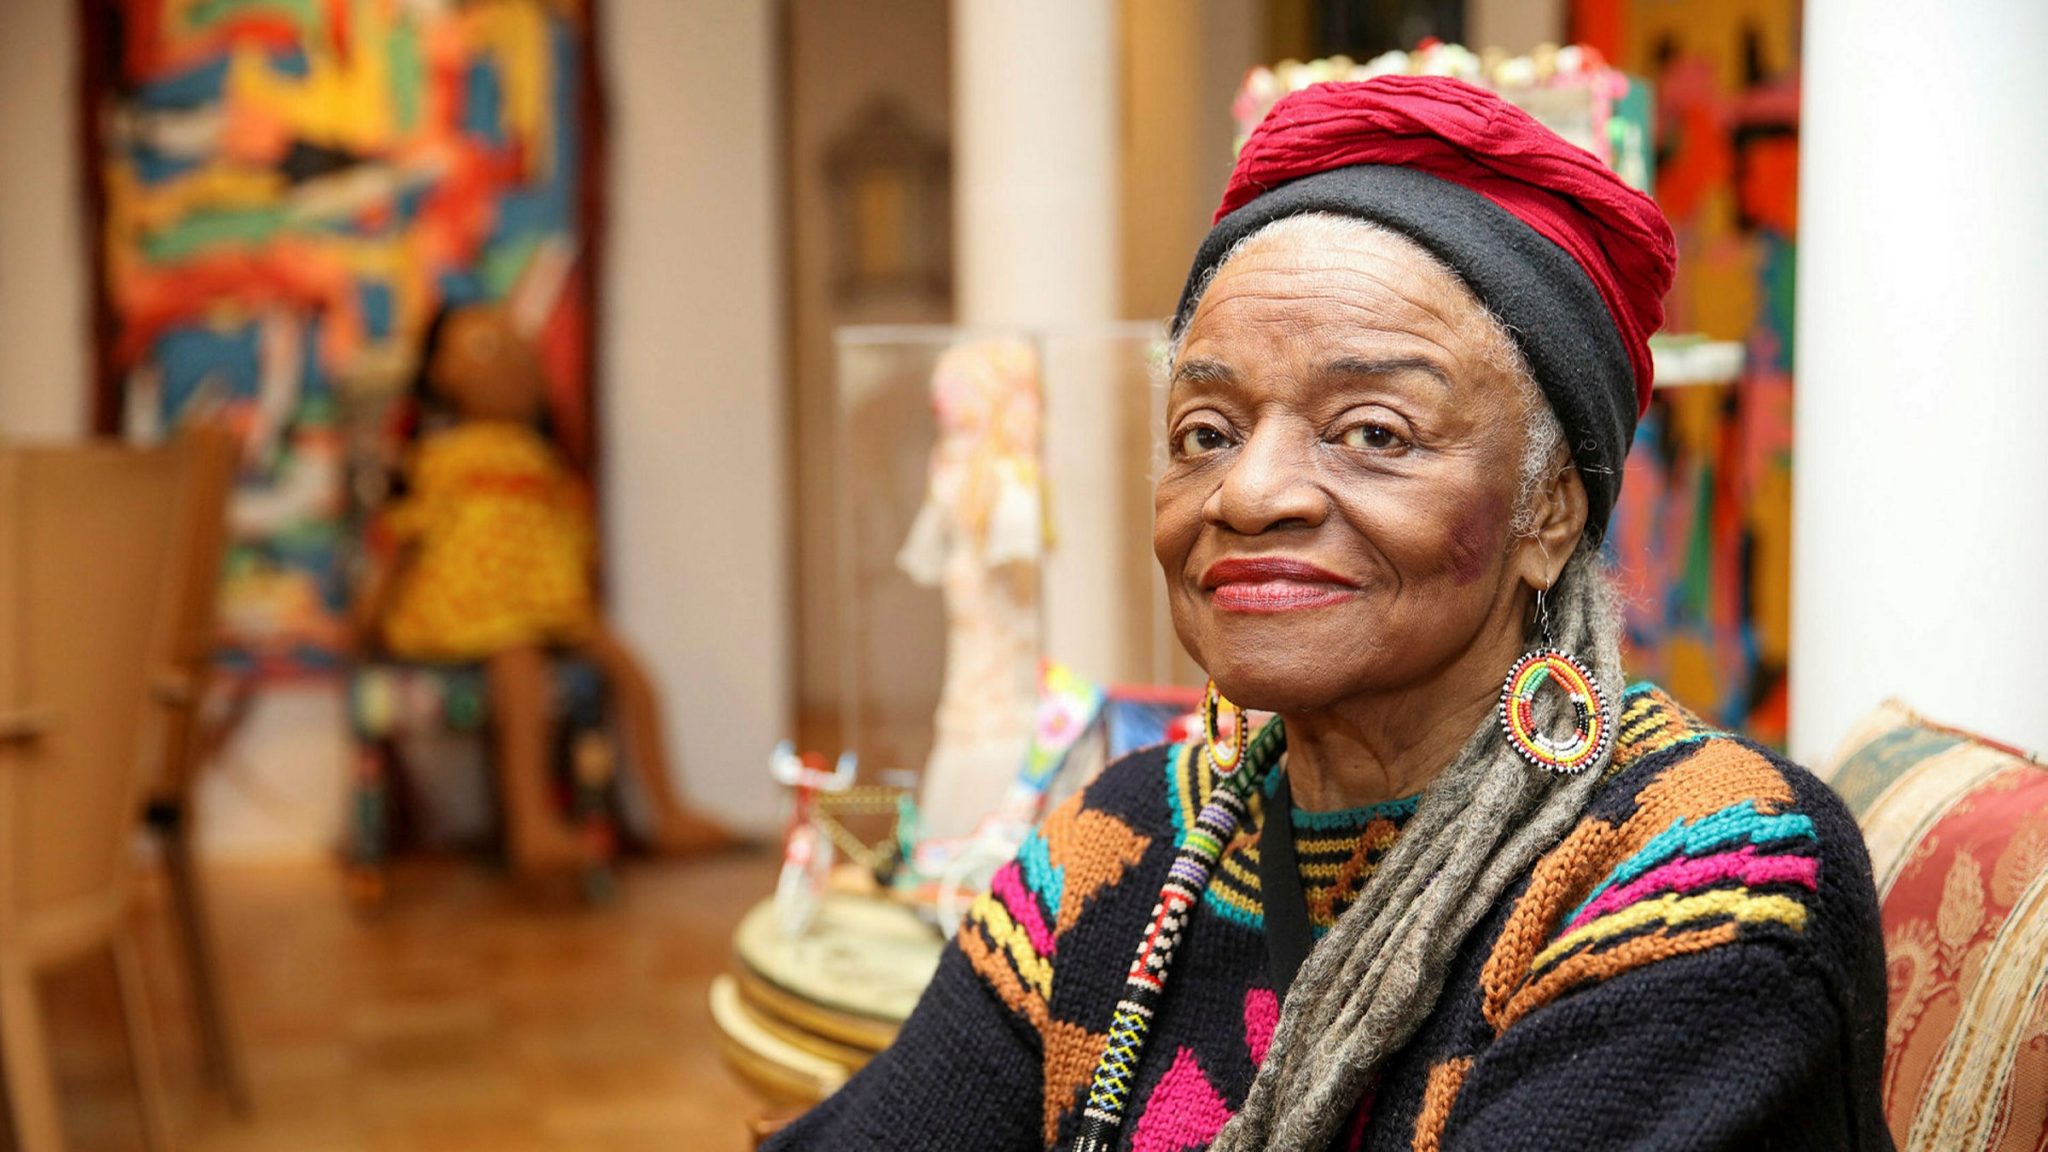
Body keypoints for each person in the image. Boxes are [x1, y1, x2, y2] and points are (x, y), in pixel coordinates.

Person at [767, 76, 1889, 1151]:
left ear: (1546, 511)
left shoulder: (1696, 869)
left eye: (1372, 433)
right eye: (1203, 433)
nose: (1249, 494)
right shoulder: (1124, 844)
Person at [359, 302, 731, 872]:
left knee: (632, 673)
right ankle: (532, 825)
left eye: (519, 350)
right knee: (519, 666)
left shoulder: (545, 460)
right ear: (440, 373)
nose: (509, 365)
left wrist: (582, 594)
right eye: (487, 350)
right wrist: (368, 615)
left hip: (546, 604)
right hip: (465, 608)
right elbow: (405, 535)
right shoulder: (438, 458)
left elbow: (571, 533)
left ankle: (668, 812)